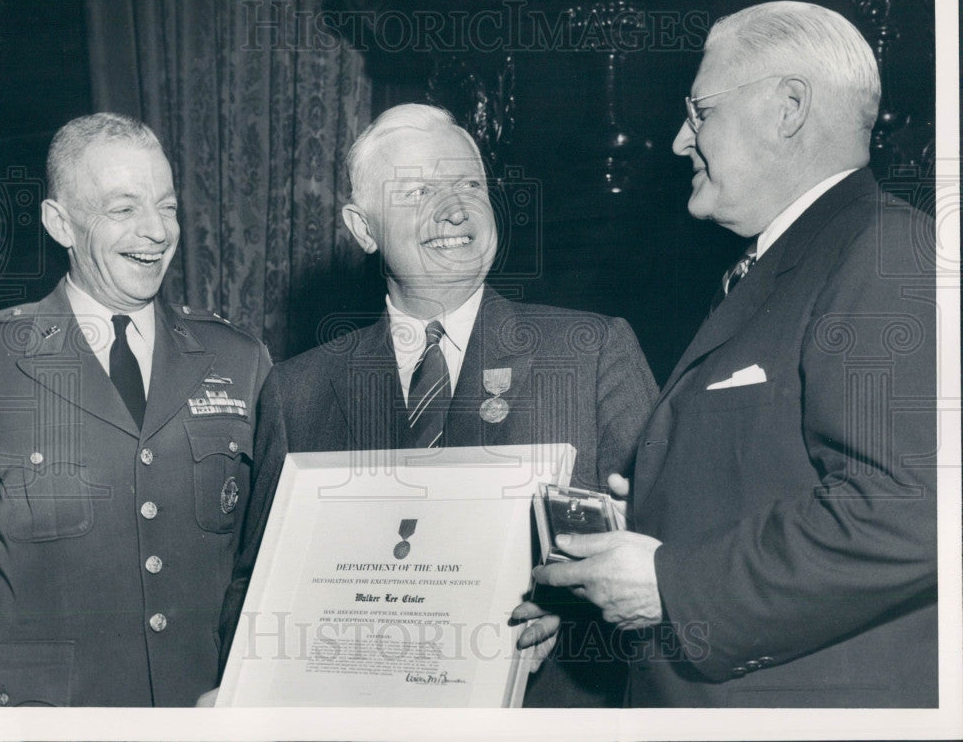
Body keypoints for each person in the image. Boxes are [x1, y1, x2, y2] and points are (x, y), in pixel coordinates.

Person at [518, 1, 937, 707]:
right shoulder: (781, 268)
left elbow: (903, 508)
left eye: (700, 111)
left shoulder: (888, 251)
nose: (682, 140)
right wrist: (619, 566)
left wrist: (667, 585)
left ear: (789, 108)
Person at [217, 103, 658, 707]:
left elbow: (675, 557)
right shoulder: (299, 391)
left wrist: (571, 612)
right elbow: (256, 594)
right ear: (363, 228)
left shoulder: (589, 353)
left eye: (470, 185)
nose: (455, 209)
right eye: (420, 189)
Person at [0, 113, 271, 706]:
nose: (156, 232)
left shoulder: (238, 358)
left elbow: (269, 557)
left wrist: (251, 682)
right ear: (60, 223)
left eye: (166, 207)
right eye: (124, 209)